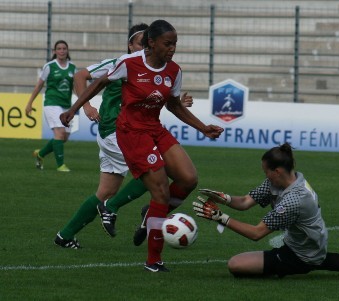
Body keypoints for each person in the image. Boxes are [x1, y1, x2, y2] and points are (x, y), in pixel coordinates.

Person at [60, 19, 224, 272]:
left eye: (175, 44)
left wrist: (203, 128)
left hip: (154, 128)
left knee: (189, 179)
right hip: (130, 132)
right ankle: (153, 260)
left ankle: (151, 214)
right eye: (167, 44)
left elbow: (174, 104)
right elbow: (98, 83)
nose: (172, 48)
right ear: (152, 43)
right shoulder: (130, 64)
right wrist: (75, 109)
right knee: (160, 192)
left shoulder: (174, 70)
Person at [193, 143, 339, 278]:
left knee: (235, 265)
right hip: (308, 242)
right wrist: (225, 198)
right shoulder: (282, 180)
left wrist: (220, 218)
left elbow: (256, 233)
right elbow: (246, 202)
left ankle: (290, 267)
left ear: (277, 171)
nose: (264, 175)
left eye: (266, 171)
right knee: (323, 260)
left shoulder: (294, 200)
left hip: (300, 254)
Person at [54, 23, 149, 248]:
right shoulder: (119, 63)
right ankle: (111, 207)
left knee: (105, 191)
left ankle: (64, 236)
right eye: (140, 43)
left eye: (148, 44)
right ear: (130, 45)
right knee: (153, 173)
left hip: (117, 133)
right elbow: (80, 75)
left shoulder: (147, 69)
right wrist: (86, 107)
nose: (144, 48)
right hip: (115, 132)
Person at [26, 40, 76, 172]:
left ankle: (40, 154)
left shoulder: (73, 68)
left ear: (67, 51)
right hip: (52, 104)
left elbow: (75, 87)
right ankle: (61, 166)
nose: (62, 51)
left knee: (63, 138)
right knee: (59, 134)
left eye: (64, 48)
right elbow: (39, 85)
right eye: (59, 48)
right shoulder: (49, 66)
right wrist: (30, 102)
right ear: (54, 52)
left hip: (66, 106)